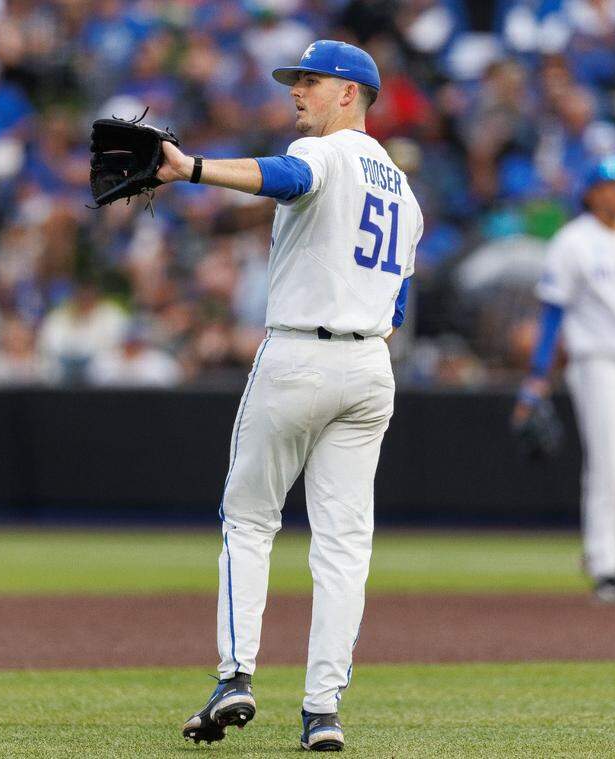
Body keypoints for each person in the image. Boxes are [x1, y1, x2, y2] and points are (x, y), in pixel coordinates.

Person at [154, 40, 423, 751]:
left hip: (301, 352)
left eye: (311, 80)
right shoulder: (404, 188)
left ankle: (236, 673)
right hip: (369, 367)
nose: (297, 91)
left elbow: (280, 176)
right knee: (344, 547)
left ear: (351, 94)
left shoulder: (326, 155)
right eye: (295, 80)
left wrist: (191, 168)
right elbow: (396, 306)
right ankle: (323, 710)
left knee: (248, 519)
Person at [513, 155, 615, 605]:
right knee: (610, 465)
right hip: (597, 364)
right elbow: (552, 316)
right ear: (590, 192)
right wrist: (537, 377)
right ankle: (607, 568)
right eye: (609, 183)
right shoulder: (572, 243)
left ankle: (603, 546)